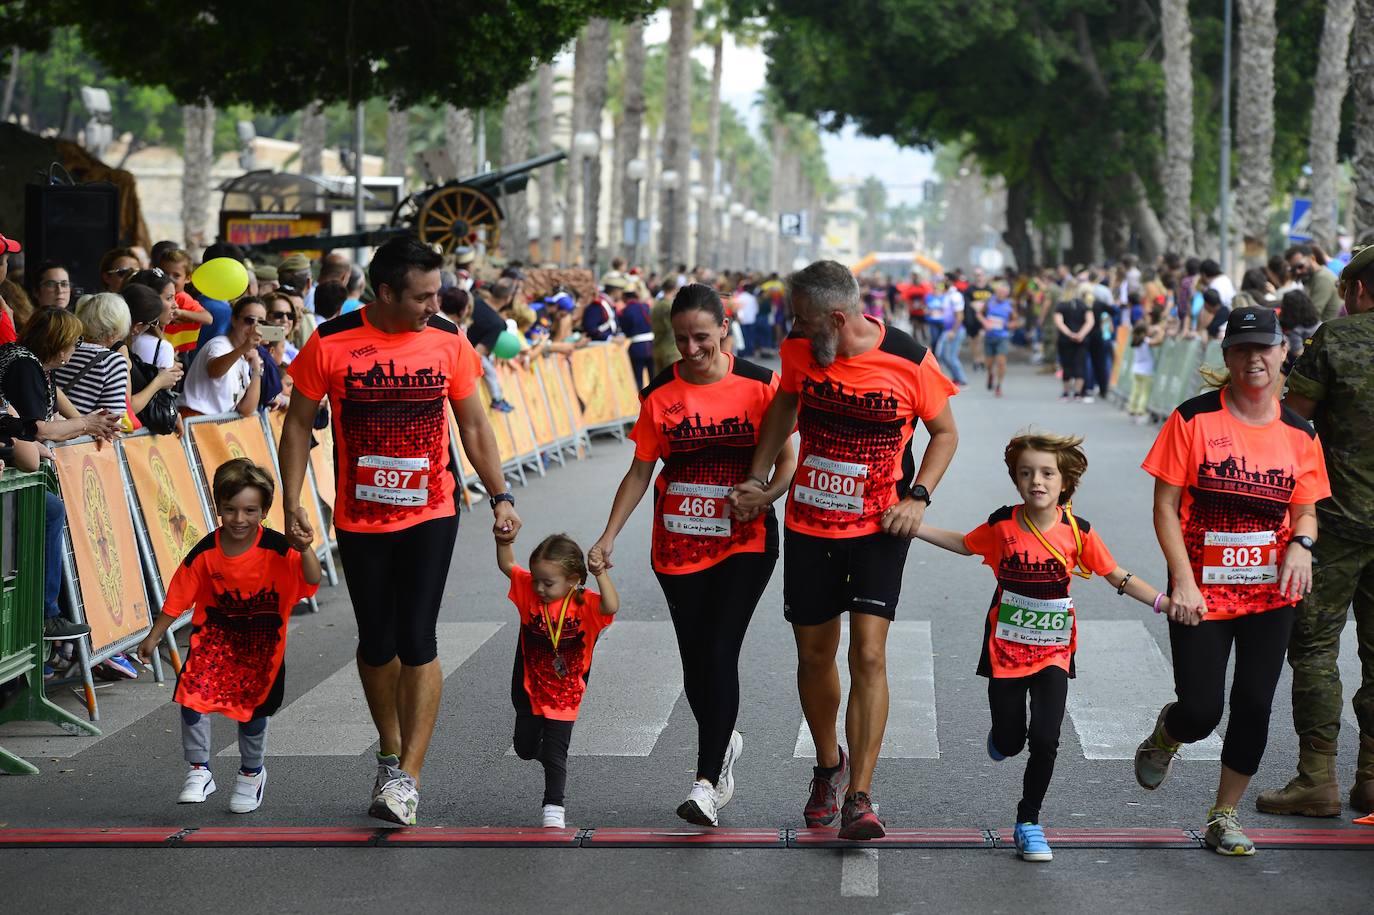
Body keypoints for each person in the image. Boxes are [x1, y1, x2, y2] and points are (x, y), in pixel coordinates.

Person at [279, 236, 522, 827]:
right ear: (385, 292)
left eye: (437, 292)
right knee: (375, 641)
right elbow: (296, 427)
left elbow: (473, 423)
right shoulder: (331, 341)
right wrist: (290, 502)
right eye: (422, 295)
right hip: (359, 517)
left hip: (432, 511)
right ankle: (389, 752)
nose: (433, 304)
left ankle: (408, 774)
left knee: (417, 638)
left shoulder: (447, 339)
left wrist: (501, 494)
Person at [733, 260, 959, 840]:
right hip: (811, 523)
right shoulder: (798, 352)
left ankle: (860, 793)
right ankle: (827, 765)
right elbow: (785, 402)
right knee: (814, 656)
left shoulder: (909, 359)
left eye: (804, 321)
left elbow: (946, 432)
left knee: (869, 655)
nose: (796, 329)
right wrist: (759, 475)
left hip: (879, 526)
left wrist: (919, 497)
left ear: (837, 317)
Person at [916, 431, 1172, 863]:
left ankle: (1028, 821)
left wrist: (1164, 601)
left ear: (1064, 481)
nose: (1037, 480)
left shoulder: (1078, 531)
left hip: (1054, 649)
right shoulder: (1002, 524)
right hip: (1005, 648)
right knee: (1012, 740)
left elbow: (1117, 576)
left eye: (1047, 473)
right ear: (1016, 480)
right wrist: (915, 527)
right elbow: (964, 544)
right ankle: (1002, 737)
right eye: (1026, 473)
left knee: (1047, 738)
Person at [592, 284, 796, 827]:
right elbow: (641, 470)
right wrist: (608, 535)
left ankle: (707, 781)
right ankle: (723, 740)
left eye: (702, 337)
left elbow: (789, 459)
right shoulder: (661, 392)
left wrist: (767, 496)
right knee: (693, 663)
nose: (691, 349)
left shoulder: (759, 383)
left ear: (725, 328)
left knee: (718, 650)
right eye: (681, 339)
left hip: (744, 543)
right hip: (677, 544)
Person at [1135, 305, 1331, 856]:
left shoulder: (1300, 432)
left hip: (1271, 594)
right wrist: (1183, 581)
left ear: (1283, 352)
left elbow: (1307, 510)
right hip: (1200, 591)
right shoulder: (1193, 419)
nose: (1254, 358)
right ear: (1227, 357)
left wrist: (1301, 543)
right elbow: (1166, 507)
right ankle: (1168, 735)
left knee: (1253, 703)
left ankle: (1224, 815)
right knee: (1201, 709)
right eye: (1242, 349)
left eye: (1263, 347)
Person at [136, 459, 321, 813]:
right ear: (217, 507)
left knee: (252, 715)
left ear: (264, 510)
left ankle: (251, 775)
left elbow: (310, 582)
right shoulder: (206, 552)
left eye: (250, 510)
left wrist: (306, 547)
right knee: (191, 699)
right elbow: (179, 595)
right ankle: (199, 769)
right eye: (230, 510)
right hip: (213, 644)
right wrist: (154, 636)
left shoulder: (279, 548)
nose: (239, 519)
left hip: (262, 649)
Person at [1261, 245, 1374, 817]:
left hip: (1334, 523)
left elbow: (1295, 419)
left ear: (1355, 290)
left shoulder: (1338, 338)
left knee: (1314, 647)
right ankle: (1373, 778)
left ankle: (1317, 779)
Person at [497, 532, 618, 828]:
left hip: (565, 695)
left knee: (556, 752)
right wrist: (503, 540)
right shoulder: (530, 591)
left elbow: (611, 606)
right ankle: (543, 754)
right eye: (536, 579)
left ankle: (554, 807)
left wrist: (600, 573)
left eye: (548, 583)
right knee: (524, 749)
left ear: (574, 579)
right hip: (528, 690)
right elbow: (508, 565)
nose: (538, 587)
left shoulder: (585, 604)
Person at [0, 307, 123, 444]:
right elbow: (40, 431)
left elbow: (54, 423)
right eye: (77, 342)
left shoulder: (43, 365)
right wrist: (87, 422)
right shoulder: (24, 365)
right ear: (61, 347)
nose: (77, 348)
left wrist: (89, 426)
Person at [181, 297, 265, 417]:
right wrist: (243, 349)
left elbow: (246, 409)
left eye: (261, 323)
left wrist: (257, 370)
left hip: (217, 425)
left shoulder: (245, 356)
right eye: (249, 320)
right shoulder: (219, 344)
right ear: (234, 320)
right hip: (195, 419)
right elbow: (214, 371)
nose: (255, 327)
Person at [52, 293, 132, 417]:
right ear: (115, 330)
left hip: (51, 429)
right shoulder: (112, 361)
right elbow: (114, 418)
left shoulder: (61, 348)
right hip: (80, 435)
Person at [155, 250, 212, 361]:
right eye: (165, 273)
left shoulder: (183, 298)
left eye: (176, 275)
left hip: (178, 352)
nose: (169, 279)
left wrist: (181, 313)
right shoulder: (153, 294)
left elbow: (208, 318)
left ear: (188, 278)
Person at [1053, 284, 1094, 401]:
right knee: (1080, 365)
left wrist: (1069, 334)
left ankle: (1066, 392)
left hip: (1065, 340)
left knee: (1066, 365)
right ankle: (1077, 393)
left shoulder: (1061, 305)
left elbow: (1059, 322)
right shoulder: (1084, 305)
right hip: (1082, 340)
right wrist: (1081, 334)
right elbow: (1090, 321)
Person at [1286, 244, 1341, 324]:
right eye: (1294, 269)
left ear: (1312, 258)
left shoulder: (1323, 278)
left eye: (1300, 266)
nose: (1297, 271)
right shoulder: (1310, 278)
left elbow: (1312, 314)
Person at [979, 282, 1017, 397]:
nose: (1001, 295)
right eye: (999, 292)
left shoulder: (1010, 304)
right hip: (989, 336)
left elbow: (1015, 320)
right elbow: (979, 314)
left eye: (1003, 293)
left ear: (1007, 294)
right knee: (989, 364)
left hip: (1002, 337)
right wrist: (984, 322)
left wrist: (1010, 325)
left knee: (1001, 362)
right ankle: (990, 374)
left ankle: (999, 385)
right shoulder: (989, 301)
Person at [1127, 320, 1165, 424]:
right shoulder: (1146, 341)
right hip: (1146, 371)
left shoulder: (1135, 341)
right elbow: (1158, 341)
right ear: (1144, 331)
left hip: (1136, 370)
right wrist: (1161, 331)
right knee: (1144, 393)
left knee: (1135, 391)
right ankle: (1140, 411)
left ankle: (1132, 408)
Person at [619, 281, 654, 388]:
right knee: (654, 378)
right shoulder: (646, 307)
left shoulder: (625, 311)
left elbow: (626, 331)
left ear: (624, 297)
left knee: (638, 380)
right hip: (652, 346)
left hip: (637, 348)